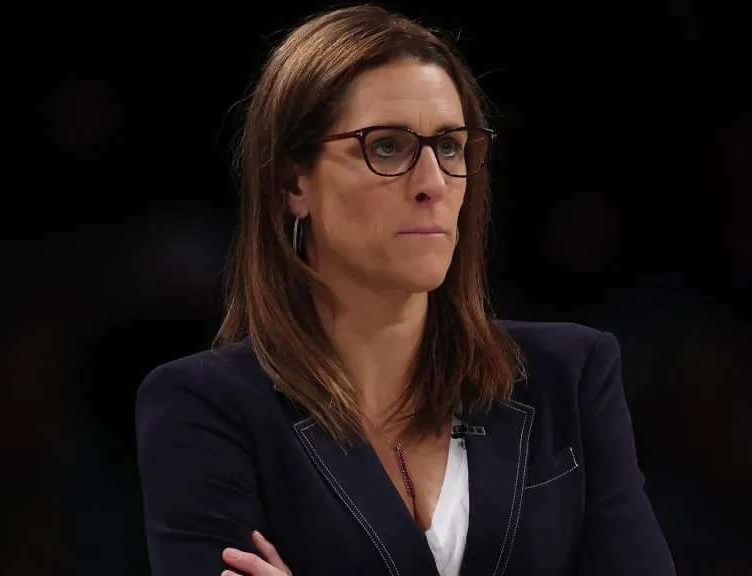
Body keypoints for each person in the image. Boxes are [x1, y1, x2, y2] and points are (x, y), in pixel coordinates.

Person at [135, 5, 675, 575]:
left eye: (450, 146)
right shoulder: (206, 408)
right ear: (293, 181)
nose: (433, 184)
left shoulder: (569, 374)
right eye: (387, 146)